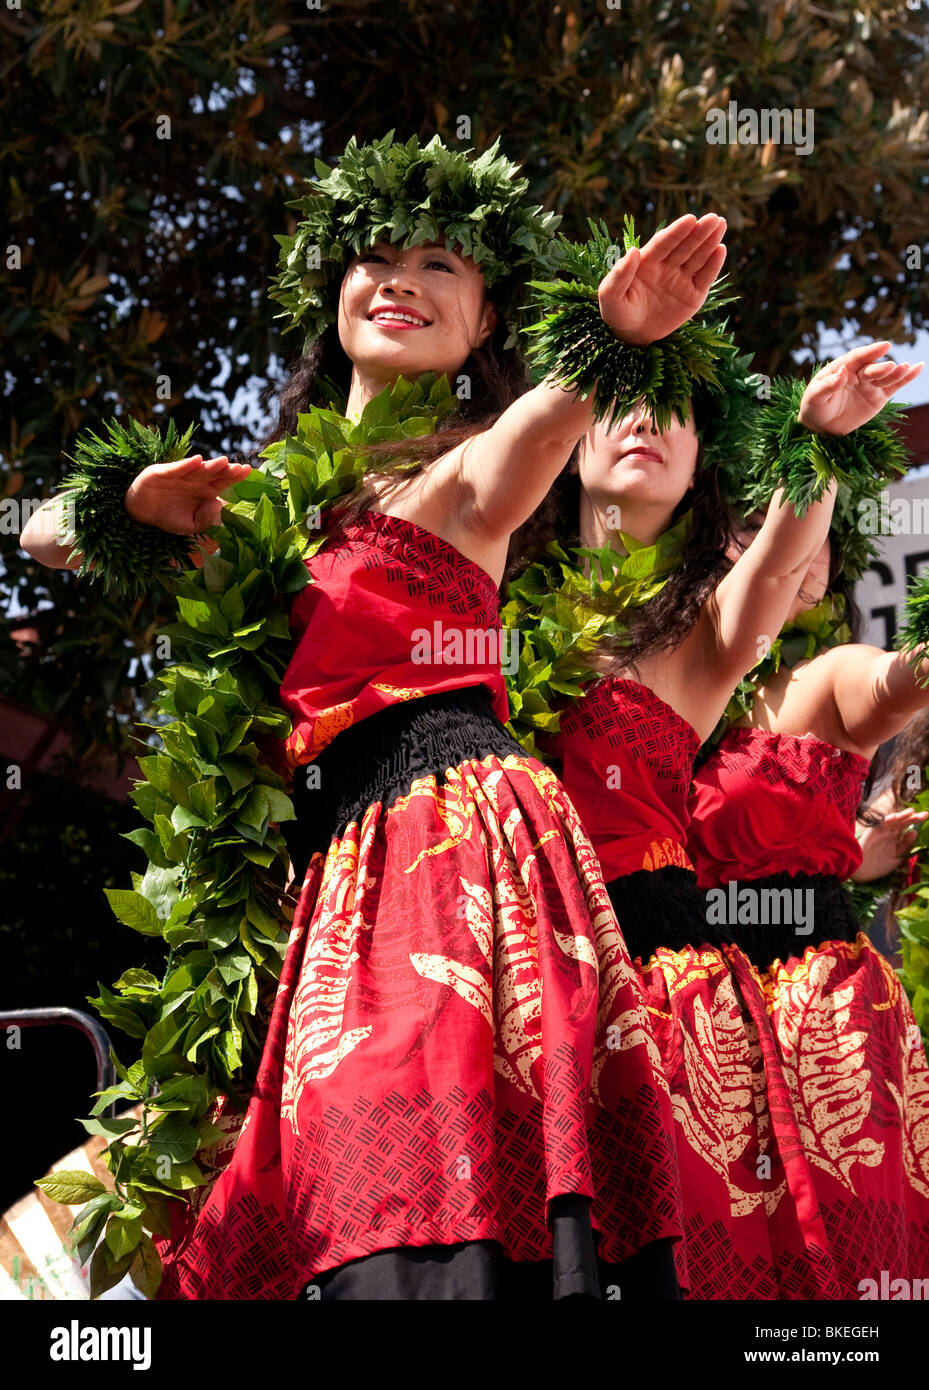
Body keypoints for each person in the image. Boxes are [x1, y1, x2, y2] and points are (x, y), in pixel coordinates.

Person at [21, 133, 731, 1300]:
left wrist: (613, 342)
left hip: (445, 846)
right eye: (376, 257)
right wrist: (128, 507)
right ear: (333, 292)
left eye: (441, 264)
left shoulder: (455, 481)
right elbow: (46, 535)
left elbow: (535, 438)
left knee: (417, 1224)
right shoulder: (254, 509)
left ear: (487, 321)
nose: (400, 277)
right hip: (311, 896)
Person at [504, 340, 922, 1297]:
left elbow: (775, 572)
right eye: (618, 400)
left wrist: (816, 439)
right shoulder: (490, 598)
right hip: (502, 963)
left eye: (673, 409)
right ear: (566, 433)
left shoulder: (702, 648)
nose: (644, 421)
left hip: (658, 990)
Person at [687, 458, 929, 1298]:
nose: (789, 543)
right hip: (682, 1015)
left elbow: (897, 681)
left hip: (817, 1018)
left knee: (842, 1273)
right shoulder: (661, 673)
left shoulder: (827, 675)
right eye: (753, 520)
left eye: (812, 527)